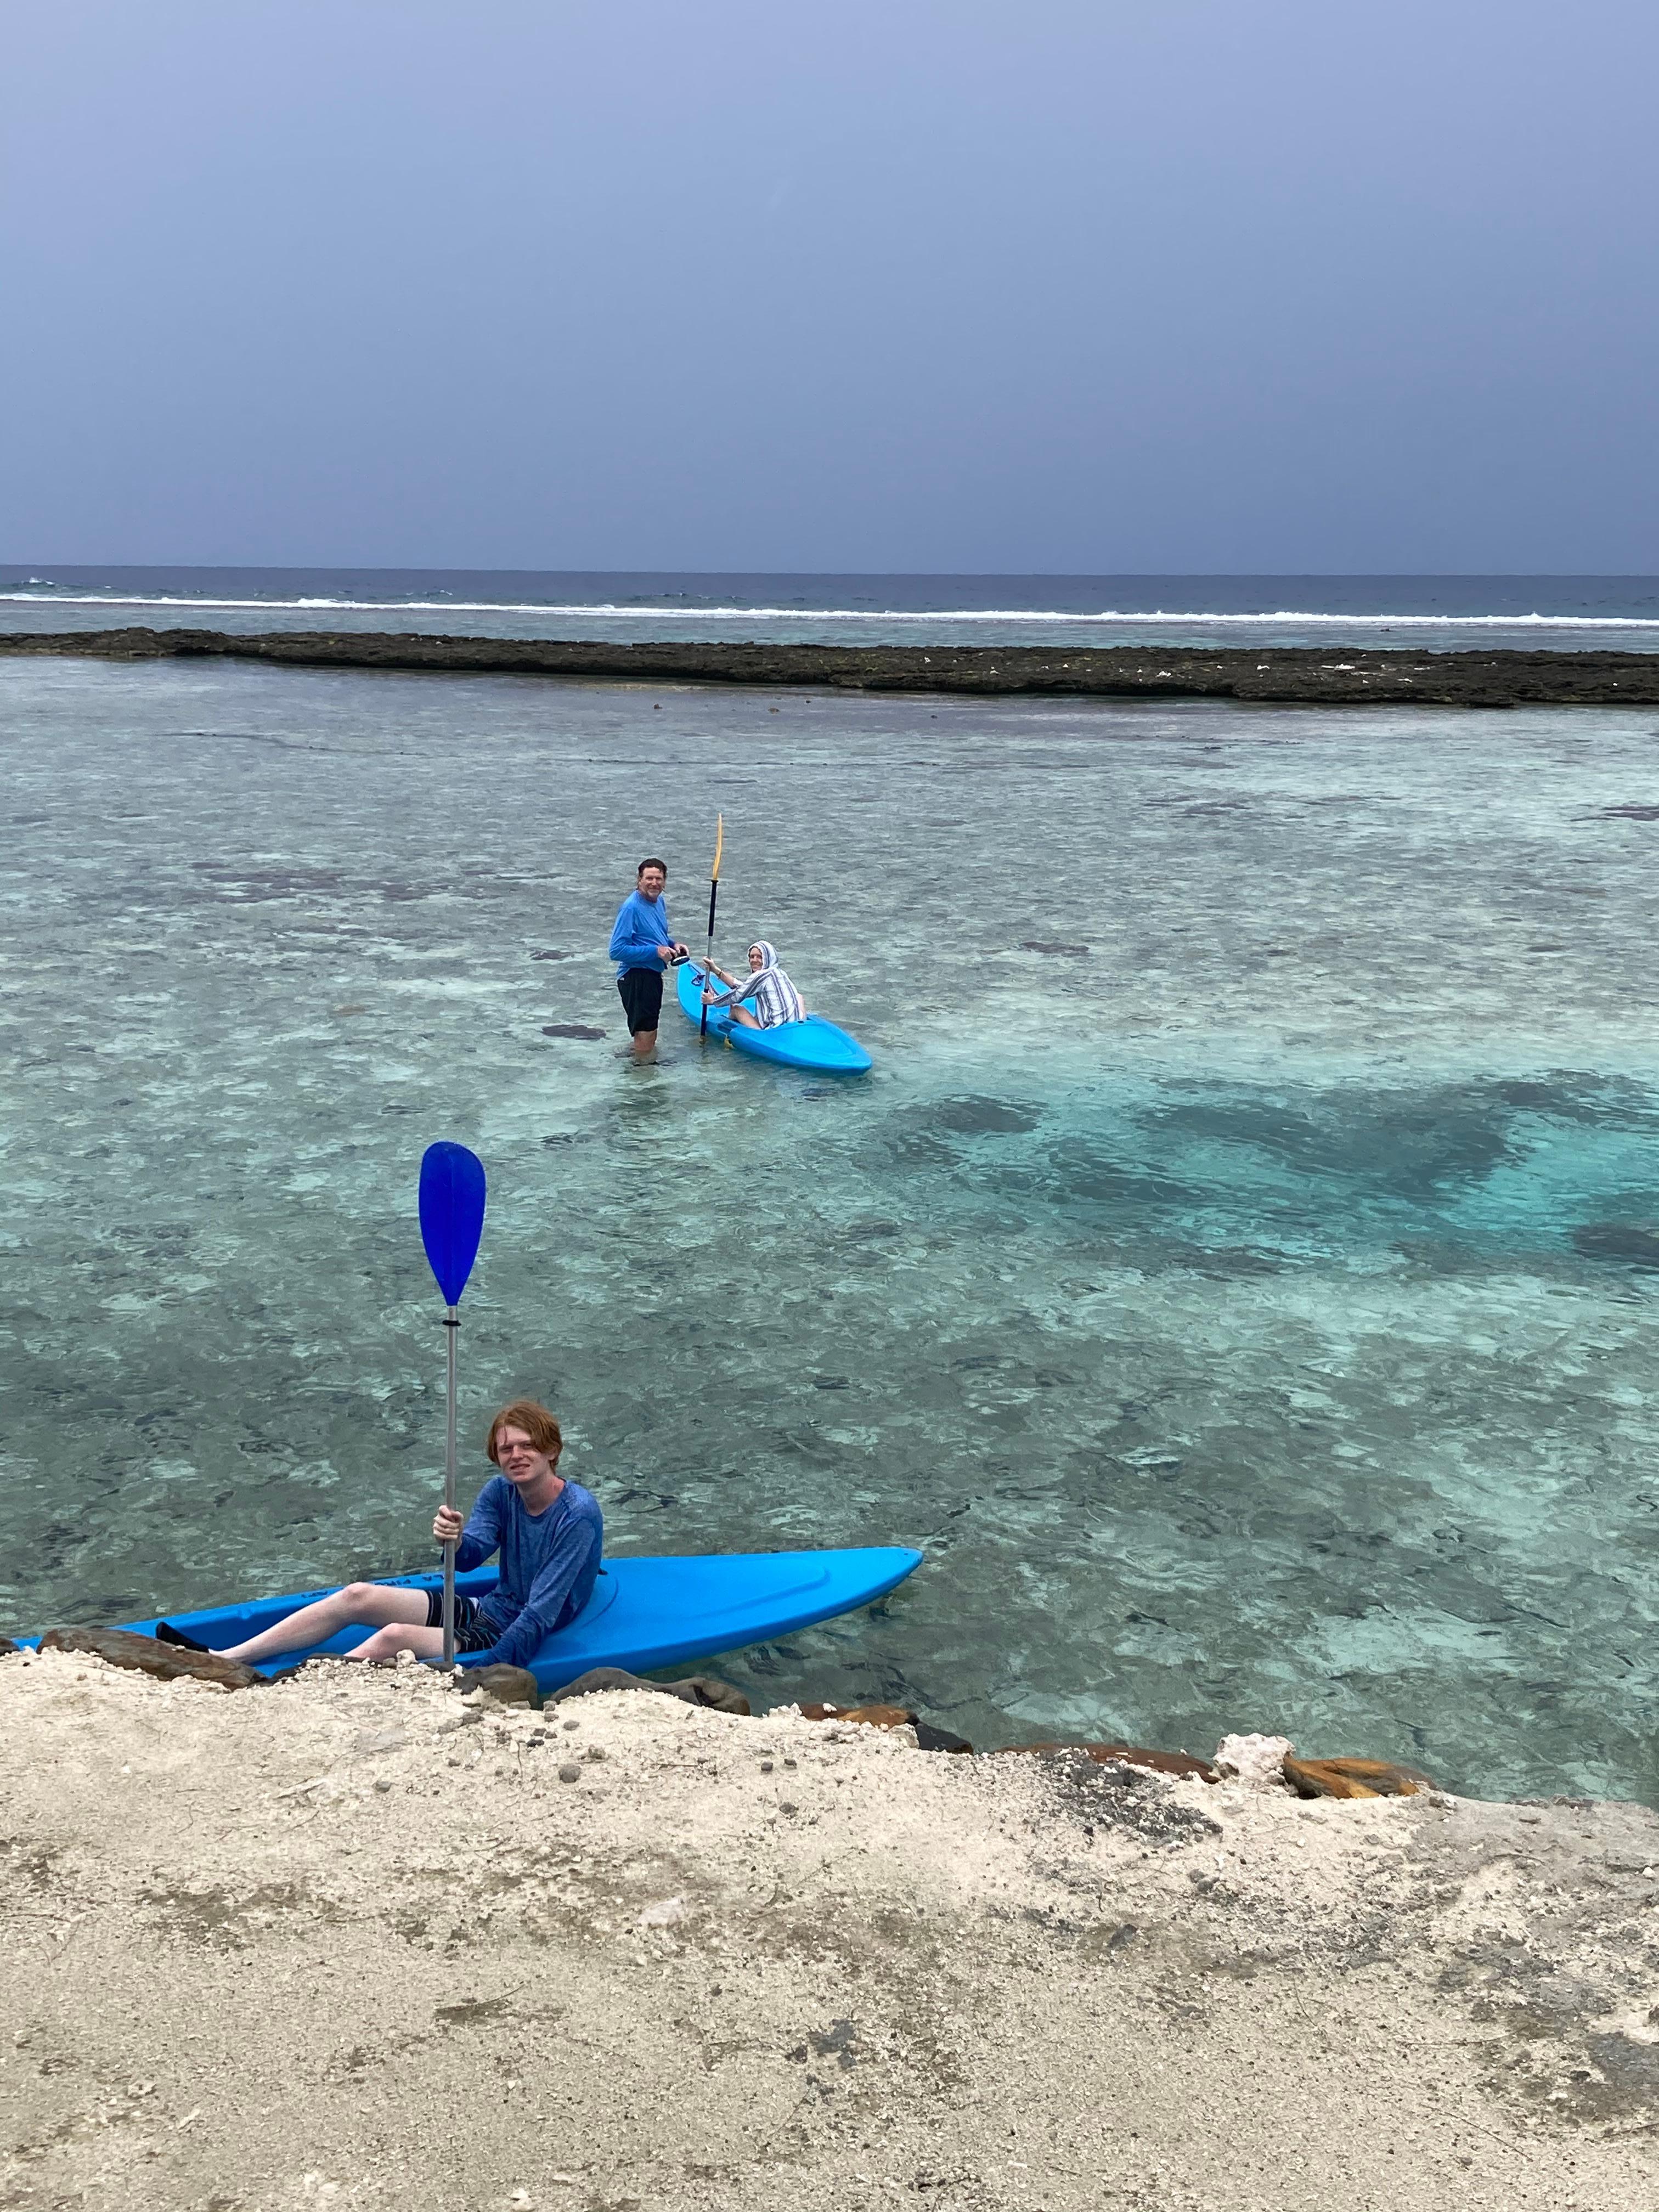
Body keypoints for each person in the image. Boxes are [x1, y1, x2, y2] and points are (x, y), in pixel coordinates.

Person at [155, 1401, 602, 1672]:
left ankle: (295, 1690)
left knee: (392, 1637)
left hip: (519, 1627)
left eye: (527, 1446)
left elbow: (540, 1615)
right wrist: (453, 1538)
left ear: (552, 1450)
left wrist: (484, 1673)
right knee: (356, 1596)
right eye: (507, 1448)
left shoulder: (576, 1515)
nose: (517, 1455)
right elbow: (468, 1560)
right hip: (493, 1608)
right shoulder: (500, 1492)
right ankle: (226, 1659)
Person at [608, 857, 687, 1062]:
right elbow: (616, 951)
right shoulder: (630, 908)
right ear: (639, 880)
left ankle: (635, 1058)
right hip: (636, 977)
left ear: (665, 881)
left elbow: (654, 935)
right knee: (646, 1034)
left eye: (659, 879)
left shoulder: (658, 901)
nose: (654, 883)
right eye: (649, 878)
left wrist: (672, 945)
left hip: (652, 975)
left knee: (649, 1032)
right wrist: (655, 952)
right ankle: (643, 1082)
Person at [702, 940, 808, 1030]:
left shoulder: (761, 975)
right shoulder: (781, 973)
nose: (754, 960)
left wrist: (713, 1001)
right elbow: (745, 988)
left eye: (760, 957)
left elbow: (738, 995)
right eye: (752, 957)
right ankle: (804, 1027)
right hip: (794, 1026)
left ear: (768, 958)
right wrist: (716, 971)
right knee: (799, 997)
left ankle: (730, 1028)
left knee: (737, 1009)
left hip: (774, 1031)